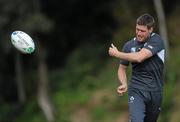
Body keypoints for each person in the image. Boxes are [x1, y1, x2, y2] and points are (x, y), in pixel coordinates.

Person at [109, 13, 165, 122]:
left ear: (150, 30)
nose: (139, 33)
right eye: (137, 29)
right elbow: (122, 68)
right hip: (136, 90)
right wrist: (124, 83)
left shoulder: (157, 41)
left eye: (142, 31)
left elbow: (140, 57)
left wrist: (117, 54)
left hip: (155, 92)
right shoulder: (129, 45)